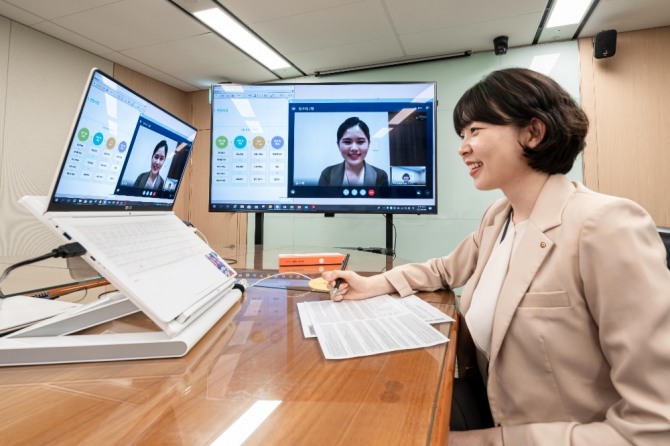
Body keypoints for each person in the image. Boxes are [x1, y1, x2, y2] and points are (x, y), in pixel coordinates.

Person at [322, 68, 670, 445]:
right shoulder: (499, 216)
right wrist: (372, 283)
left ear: (533, 133)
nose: (462, 146)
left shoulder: (605, 224)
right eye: (461, 134)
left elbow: (655, 424)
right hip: (491, 406)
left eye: (475, 131)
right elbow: (444, 269)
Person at [318, 117, 388, 186]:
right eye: (347, 142)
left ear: (368, 144)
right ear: (338, 145)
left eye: (360, 142)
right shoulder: (327, 174)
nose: (354, 148)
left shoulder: (380, 176)